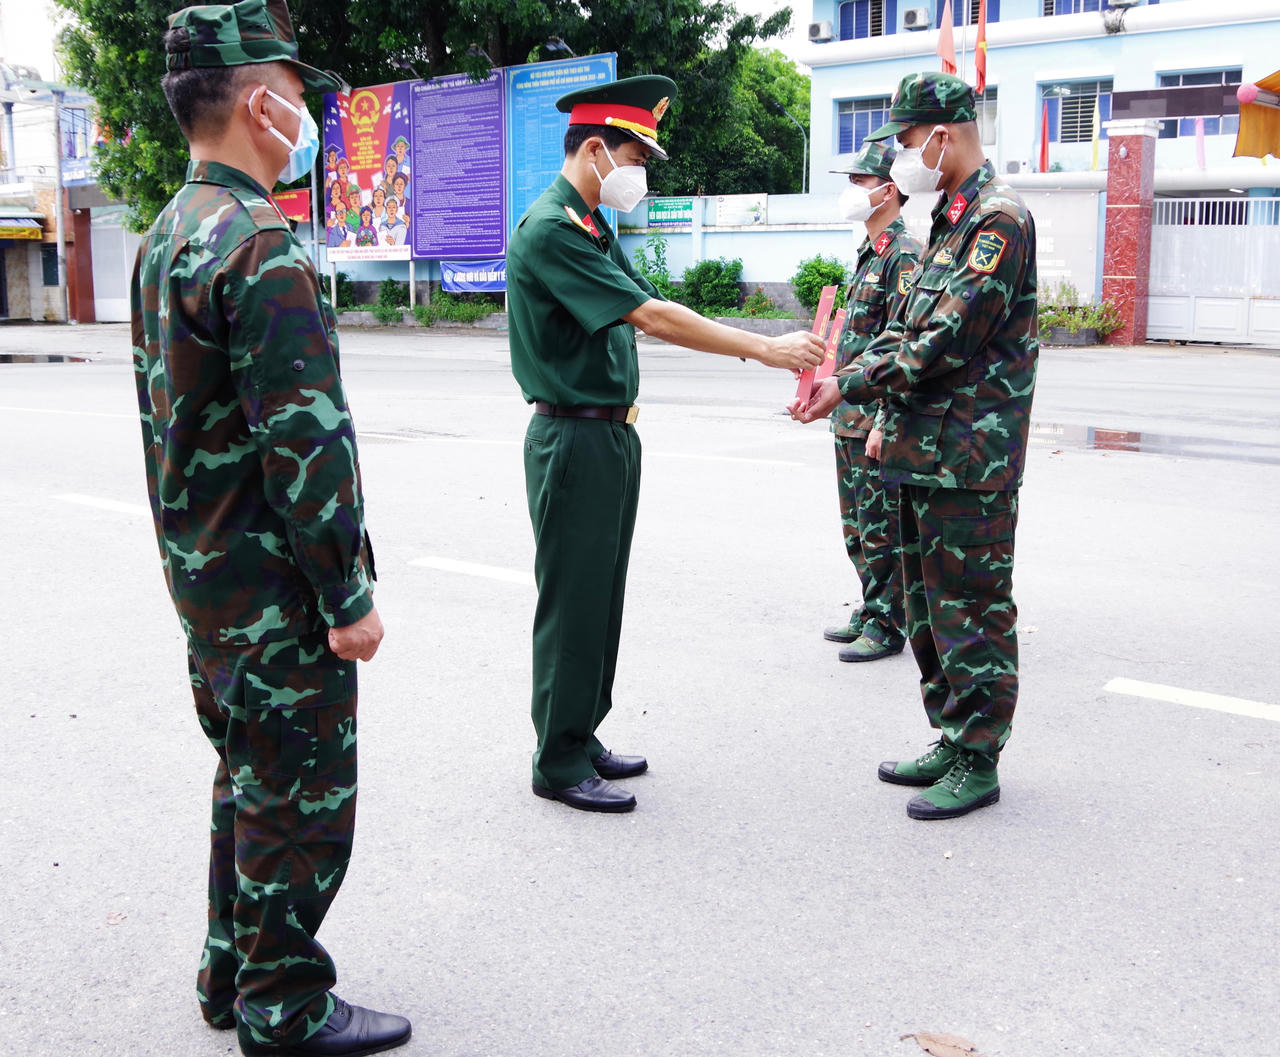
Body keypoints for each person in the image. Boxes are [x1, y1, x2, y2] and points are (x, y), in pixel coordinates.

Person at [130, 2, 411, 1053]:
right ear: (259, 101)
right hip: (274, 592)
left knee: (246, 777)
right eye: (298, 97)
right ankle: (283, 1005)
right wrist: (347, 597)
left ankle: (228, 971)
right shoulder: (260, 246)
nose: (305, 117)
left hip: (206, 579)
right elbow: (306, 447)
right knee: (298, 799)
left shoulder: (169, 233)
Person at [507, 76, 825, 813]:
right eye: (635, 156)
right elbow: (651, 316)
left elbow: (654, 308)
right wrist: (763, 346)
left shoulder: (591, 226)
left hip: (610, 436)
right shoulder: (552, 228)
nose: (641, 174)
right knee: (573, 598)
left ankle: (581, 733)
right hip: (572, 436)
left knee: (603, 595)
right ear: (594, 149)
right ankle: (556, 759)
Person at [791, 71, 1038, 821]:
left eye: (904, 143)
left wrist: (853, 384)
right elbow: (905, 329)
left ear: (944, 134)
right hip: (924, 452)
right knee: (929, 609)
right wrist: (850, 383)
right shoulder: (951, 223)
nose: (902, 158)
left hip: (971, 459)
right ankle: (952, 733)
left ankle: (980, 756)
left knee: (973, 608)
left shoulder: (999, 222)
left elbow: (942, 340)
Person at [822, 142, 919, 663]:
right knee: (857, 526)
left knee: (882, 528)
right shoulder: (871, 252)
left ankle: (888, 623)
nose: (852, 190)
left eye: (861, 181)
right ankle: (872, 604)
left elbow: (905, 343)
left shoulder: (903, 256)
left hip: (873, 418)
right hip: (847, 414)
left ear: (889, 189)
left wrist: (885, 421)